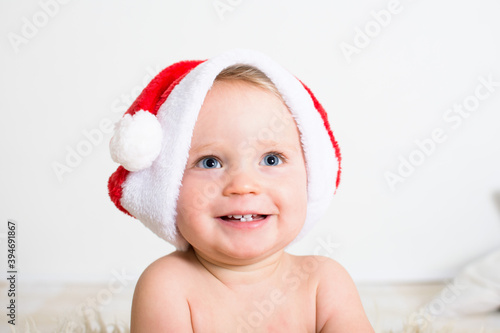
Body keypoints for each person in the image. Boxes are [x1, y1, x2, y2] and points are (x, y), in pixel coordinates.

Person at [108, 49, 374, 332]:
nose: (243, 185)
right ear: (168, 188)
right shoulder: (168, 285)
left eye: (271, 159)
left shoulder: (323, 283)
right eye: (210, 162)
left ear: (312, 176)